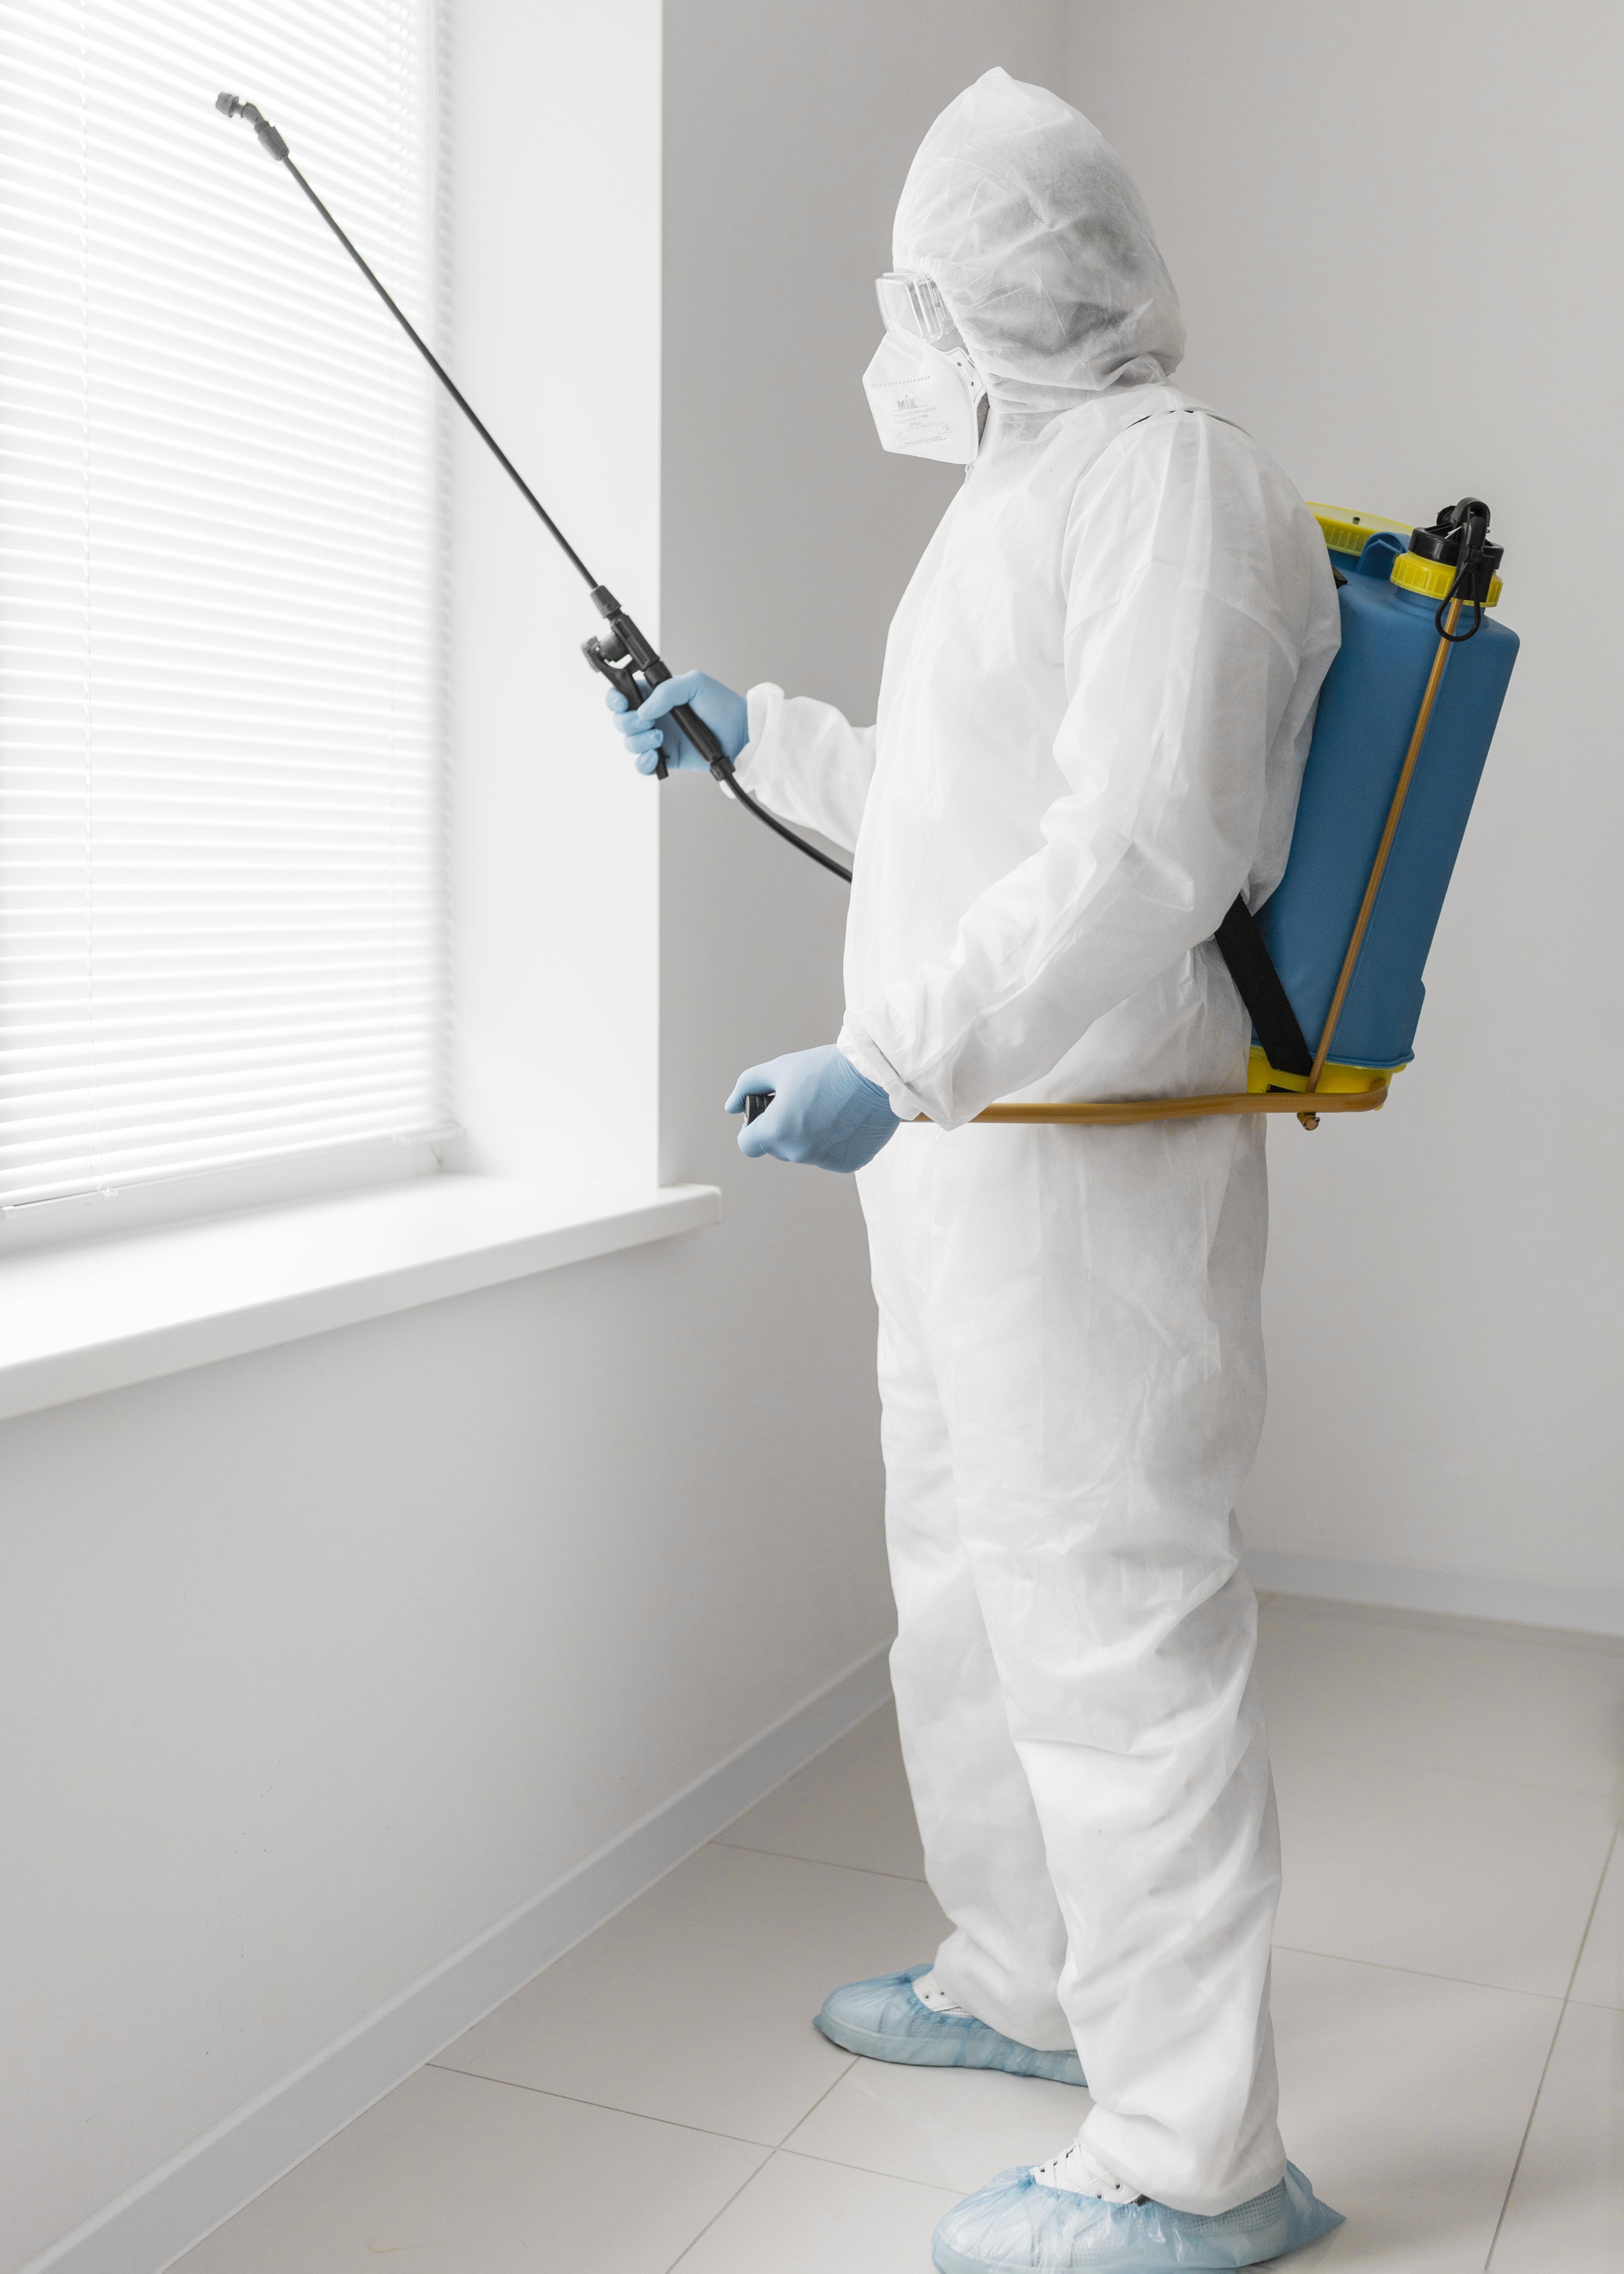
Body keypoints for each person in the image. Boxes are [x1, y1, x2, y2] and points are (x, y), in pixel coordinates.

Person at [608, 68, 1343, 2274]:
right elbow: (960, 824)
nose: (894, 336)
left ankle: (1207, 2159)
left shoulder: (1176, 494)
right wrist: (757, 731)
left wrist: (888, 1051)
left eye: (916, 296)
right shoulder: (1013, 504)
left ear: (1010, 298)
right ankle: (1023, 1976)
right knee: (965, 1580)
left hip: (1081, 1163)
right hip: (956, 1162)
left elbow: (1140, 853)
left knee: (1113, 1622)